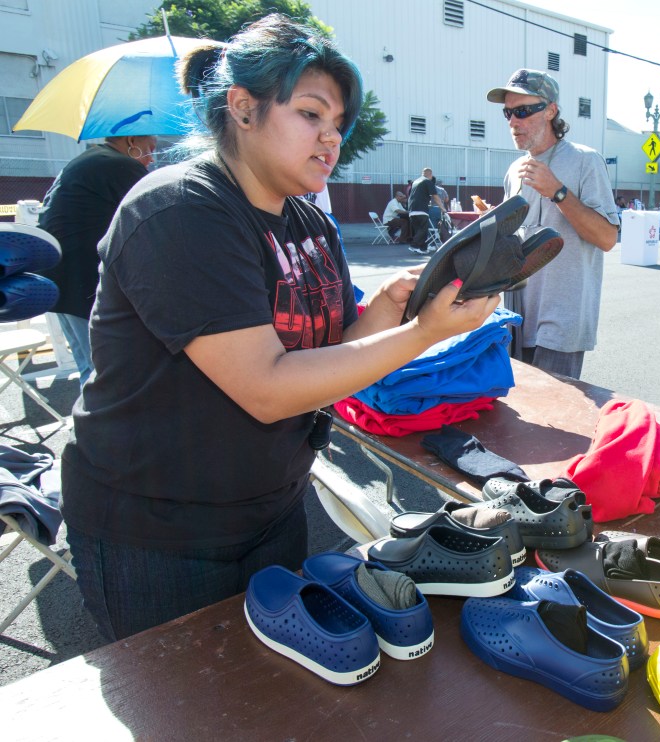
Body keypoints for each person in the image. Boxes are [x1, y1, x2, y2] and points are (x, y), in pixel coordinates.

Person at [59, 14, 499, 643]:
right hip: (161, 533)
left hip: (271, 509)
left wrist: (388, 310)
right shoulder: (181, 210)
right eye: (311, 114)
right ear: (242, 108)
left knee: (273, 698)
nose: (331, 139)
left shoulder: (308, 222)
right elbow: (266, 388)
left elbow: (323, 363)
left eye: (338, 124)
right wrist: (421, 334)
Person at [486, 68, 618, 380]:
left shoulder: (586, 161)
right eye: (508, 113)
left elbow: (608, 238)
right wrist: (493, 223)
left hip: (561, 319)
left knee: (554, 421)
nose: (513, 122)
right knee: (518, 413)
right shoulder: (515, 169)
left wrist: (558, 192)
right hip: (516, 314)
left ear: (550, 111)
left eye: (522, 111)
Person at [37, 135, 158, 386]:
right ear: (131, 141)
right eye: (149, 149)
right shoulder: (119, 166)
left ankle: (85, 424)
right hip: (86, 283)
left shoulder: (87, 160)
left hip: (60, 279)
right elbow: (158, 215)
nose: (150, 159)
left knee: (90, 371)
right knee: (107, 376)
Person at [407, 167, 445, 254]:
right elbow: (435, 196)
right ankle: (414, 245)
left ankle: (422, 248)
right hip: (421, 209)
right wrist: (442, 208)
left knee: (418, 229)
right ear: (430, 174)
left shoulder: (415, 182)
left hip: (412, 209)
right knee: (423, 229)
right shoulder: (427, 181)